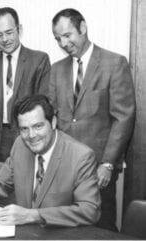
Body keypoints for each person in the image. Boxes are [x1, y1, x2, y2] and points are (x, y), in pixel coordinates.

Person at [48, 8, 135, 231]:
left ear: (83, 28)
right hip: (64, 166)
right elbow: (51, 116)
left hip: (99, 167)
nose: (64, 43)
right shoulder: (56, 70)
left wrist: (108, 163)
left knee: (102, 225)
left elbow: (123, 117)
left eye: (68, 35)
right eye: (58, 39)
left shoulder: (114, 63)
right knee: (67, 226)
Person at [0, 95, 101, 227]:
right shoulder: (20, 145)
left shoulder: (81, 156)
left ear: (53, 122)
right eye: (24, 129)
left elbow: (90, 210)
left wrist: (34, 215)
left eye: (38, 126)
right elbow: (1, 182)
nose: (31, 136)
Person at [0, 7, 51, 162]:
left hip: (28, 137)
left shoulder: (39, 60)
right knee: (0, 181)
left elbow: (44, 107)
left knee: (27, 183)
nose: (5, 39)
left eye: (9, 32)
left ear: (19, 29)